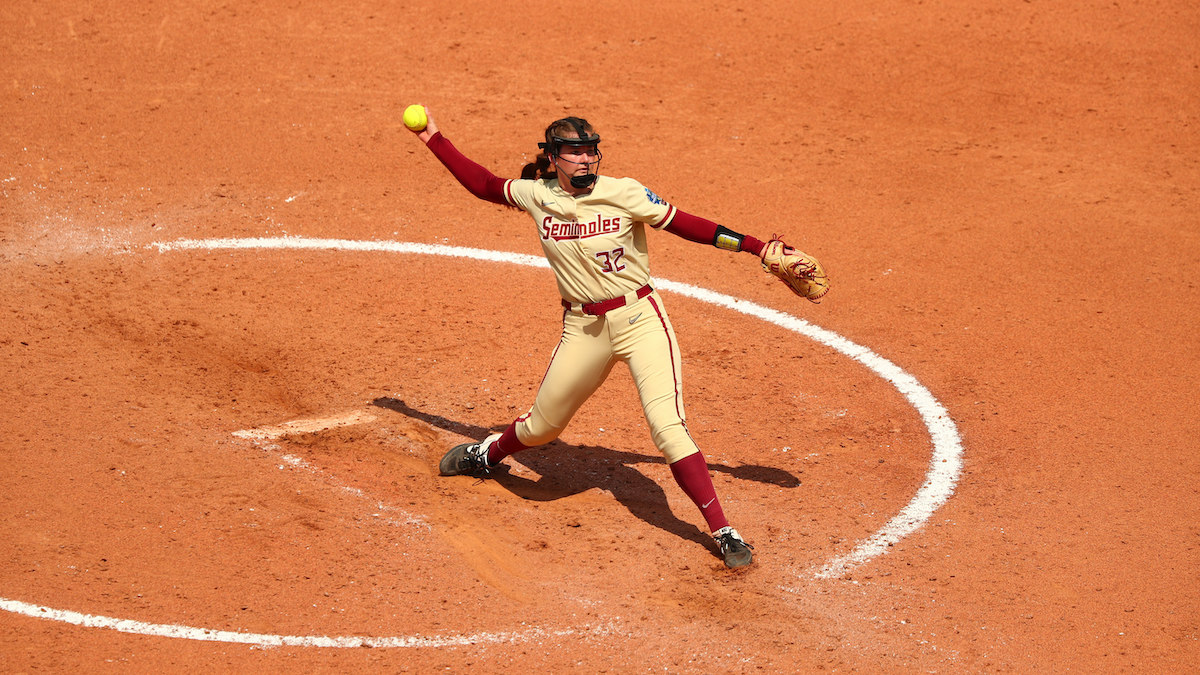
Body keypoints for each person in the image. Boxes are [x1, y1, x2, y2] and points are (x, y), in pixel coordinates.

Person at [409, 108, 792, 569]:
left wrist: (753, 247)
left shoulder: (623, 192)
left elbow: (687, 224)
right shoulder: (537, 195)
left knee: (668, 429)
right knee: (542, 427)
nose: (587, 161)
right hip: (583, 329)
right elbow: (484, 185)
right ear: (553, 159)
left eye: (591, 152)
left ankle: (724, 531)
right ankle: (487, 454)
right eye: (575, 154)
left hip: (640, 321)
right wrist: (433, 137)